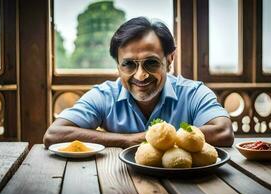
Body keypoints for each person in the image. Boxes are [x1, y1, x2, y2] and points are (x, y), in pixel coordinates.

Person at [43, 17, 234, 149]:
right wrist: (127, 140)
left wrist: (155, 137)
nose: (141, 75)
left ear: (170, 59)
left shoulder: (193, 93)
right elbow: (54, 135)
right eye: (128, 64)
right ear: (118, 66)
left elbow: (224, 132)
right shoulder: (104, 95)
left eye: (151, 63)